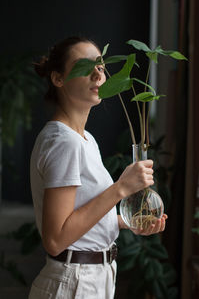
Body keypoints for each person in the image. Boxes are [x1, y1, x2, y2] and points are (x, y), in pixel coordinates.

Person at [29, 36, 167, 299]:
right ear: (58, 79)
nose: (97, 74)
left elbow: (79, 219)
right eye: (85, 66)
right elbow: (56, 239)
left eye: (101, 67)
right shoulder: (64, 142)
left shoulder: (85, 139)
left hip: (92, 278)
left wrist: (128, 222)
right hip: (74, 282)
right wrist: (121, 188)